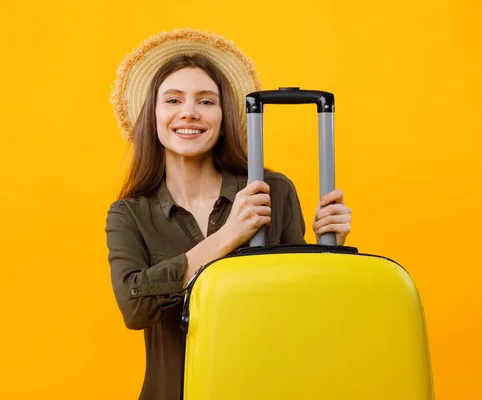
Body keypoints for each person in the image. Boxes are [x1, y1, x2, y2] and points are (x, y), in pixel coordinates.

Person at [106, 29, 352, 400]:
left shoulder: (272, 191)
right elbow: (135, 306)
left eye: (206, 102)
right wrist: (228, 236)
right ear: (152, 116)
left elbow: (304, 313)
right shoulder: (129, 213)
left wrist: (328, 253)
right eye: (173, 100)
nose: (189, 112)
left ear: (224, 118)